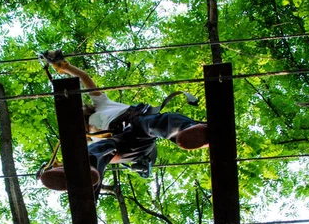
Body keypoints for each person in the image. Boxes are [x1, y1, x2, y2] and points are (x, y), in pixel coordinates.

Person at [39, 50, 208, 198]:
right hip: (124, 149)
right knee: (100, 149)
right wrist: (56, 168)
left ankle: (194, 132)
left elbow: (84, 78)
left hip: (134, 125)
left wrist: (62, 66)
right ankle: (81, 173)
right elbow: (75, 153)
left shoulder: (100, 103)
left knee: (153, 122)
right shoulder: (86, 140)